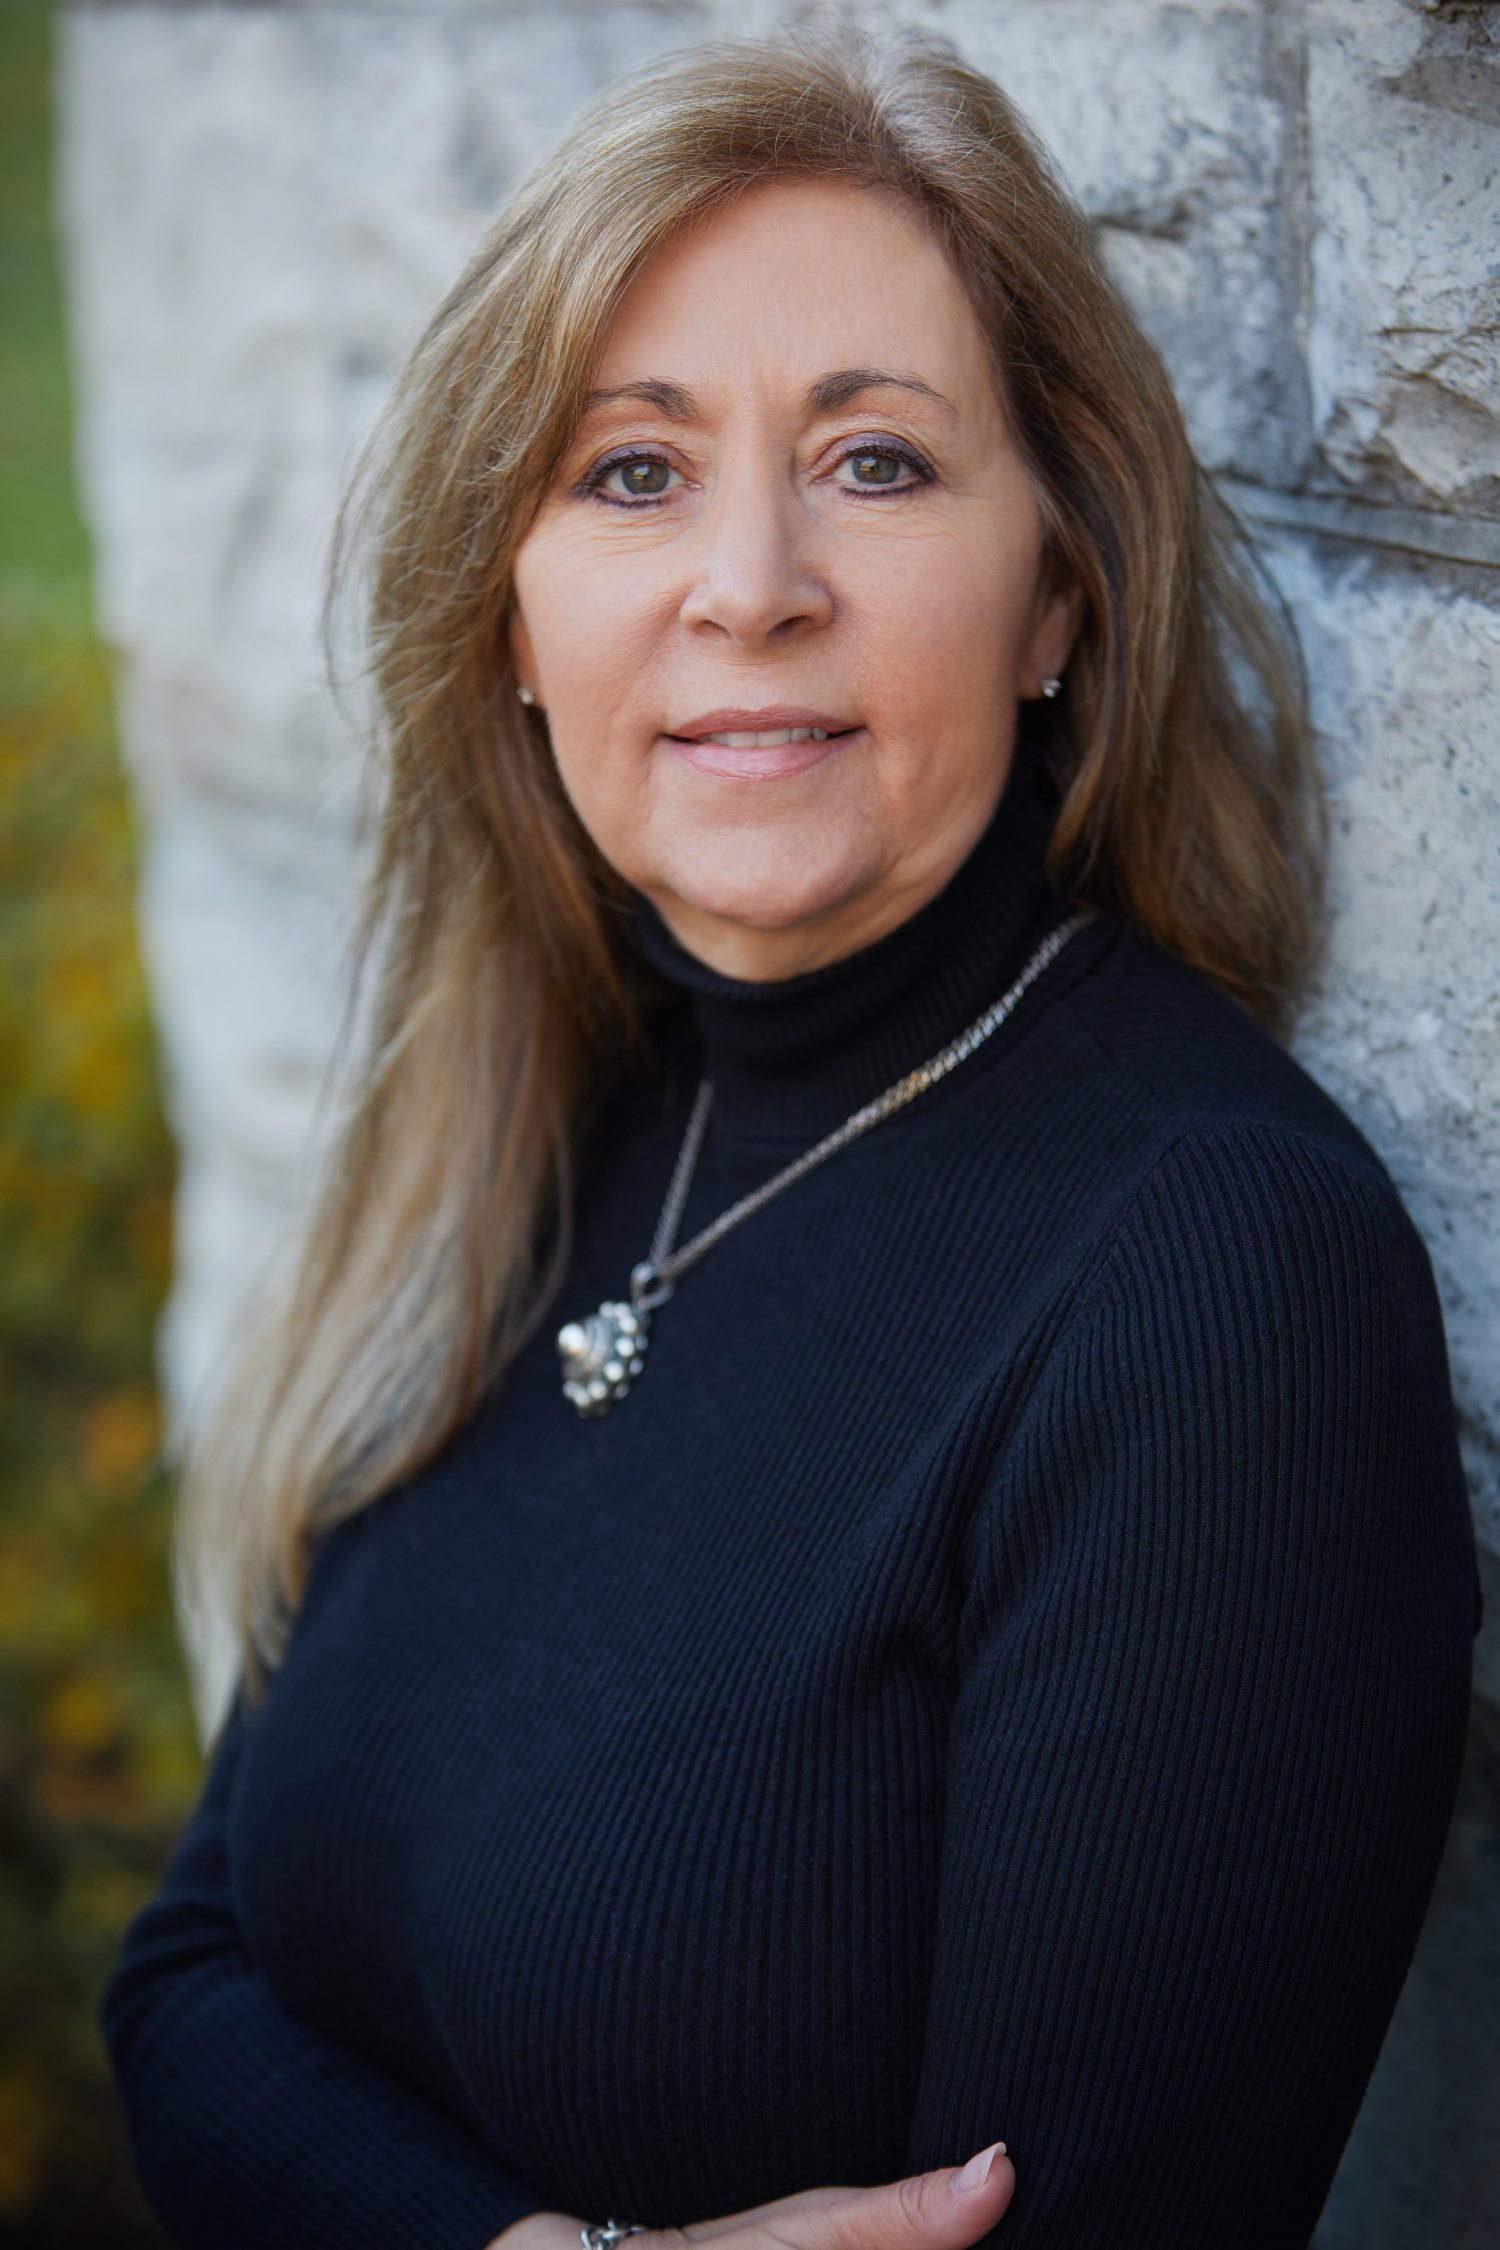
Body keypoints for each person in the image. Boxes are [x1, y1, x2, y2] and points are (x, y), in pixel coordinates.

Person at [103, 31, 1477, 2250]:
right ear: (519, 620)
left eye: (874, 462)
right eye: (632, 476)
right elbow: (181, 1993)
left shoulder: (1220, 1292)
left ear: (1059, 595)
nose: (749, 581)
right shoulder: (548, 1103)